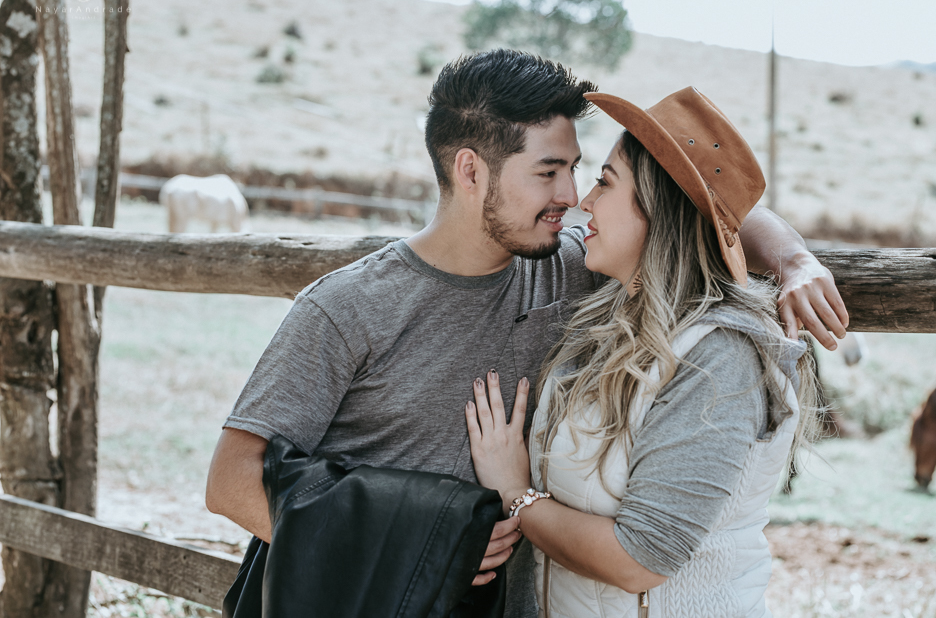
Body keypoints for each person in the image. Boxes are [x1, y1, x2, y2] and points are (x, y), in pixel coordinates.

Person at [206, 51, 848, 618]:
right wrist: (421, 549)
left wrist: (794, 259)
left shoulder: (573, 265)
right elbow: (231, 483)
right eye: (548, 172)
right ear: (470, 170)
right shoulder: (348, 307)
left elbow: (699, 196)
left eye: (578, 170)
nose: (571, 196)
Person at [465, 87, 820, 618]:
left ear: (659, 208)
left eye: (605, 183)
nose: (584, 201)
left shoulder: (720, 358)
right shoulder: (604, 313)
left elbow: (641, 559)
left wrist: (515, 492)